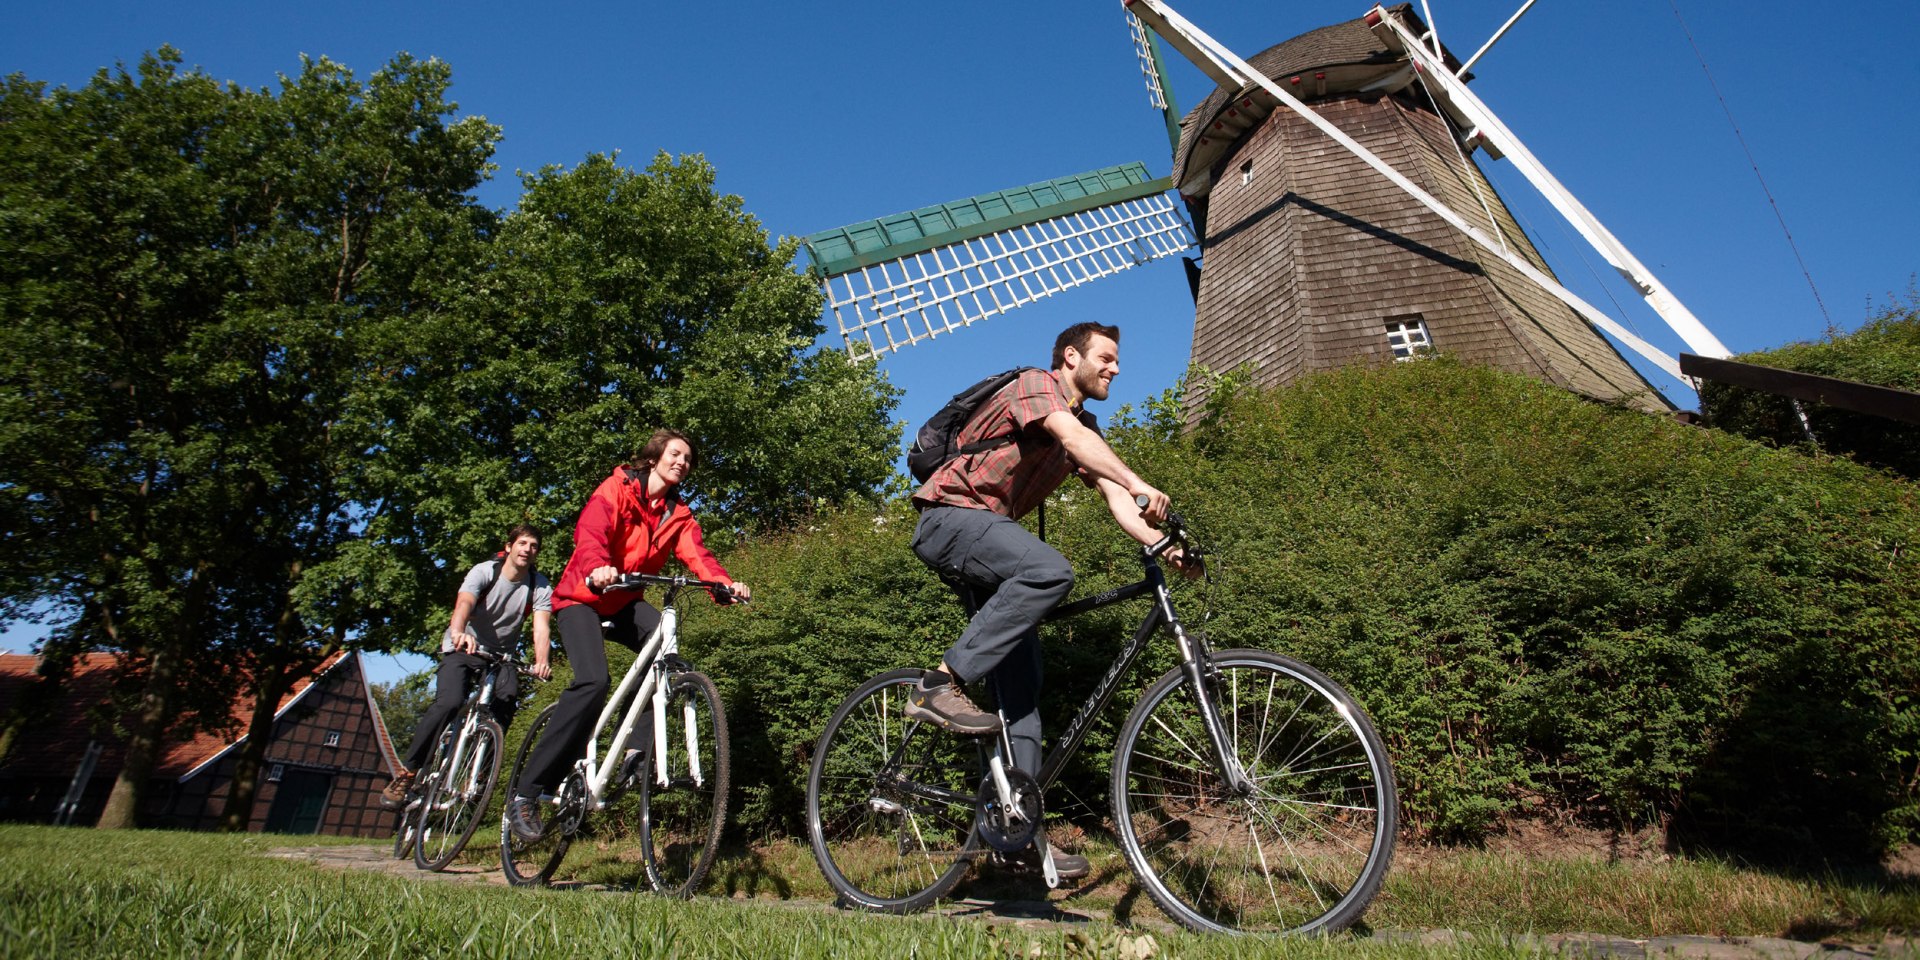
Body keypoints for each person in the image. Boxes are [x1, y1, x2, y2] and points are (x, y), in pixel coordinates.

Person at [904, 321, 1195, 880]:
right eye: (1106, 358)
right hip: (949, 519)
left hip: (987, 540)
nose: (1115, 368)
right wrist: (1138, 479)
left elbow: (1114, 494)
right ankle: (937, 684)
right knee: (1048, 569)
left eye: (1116, 360)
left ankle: (1015, 833)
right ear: (1071, 356)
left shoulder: (1085, 427)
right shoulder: (1037, 386)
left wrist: (1165, 545)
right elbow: (1081, 445)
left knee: (1023, 695)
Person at [506, 428, 750, 842]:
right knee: (593, 681)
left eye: (688, 459)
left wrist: (723, 584)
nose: (681, 462)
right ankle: (527, 793)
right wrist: (599, 565)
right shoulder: (616, 488)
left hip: (622, 602)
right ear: (654, 457)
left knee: (668, 659)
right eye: (675, 454)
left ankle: (635, 752)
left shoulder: (680, 515)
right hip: (582, 597)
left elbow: (698, 556)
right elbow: (590, 533)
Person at [382, 524, 554, 808]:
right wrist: (459, 631)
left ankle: (478, 770)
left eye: (533, 546)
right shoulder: (485, 571)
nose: (527, 550)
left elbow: (541, 628)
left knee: (506, 701)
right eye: (522, 543)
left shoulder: (539, 584)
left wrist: (542, 662)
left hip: (501, 655)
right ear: (509, 547)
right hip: (465, 646)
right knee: (449, 702)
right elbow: (464, 602)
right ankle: (408, 772)